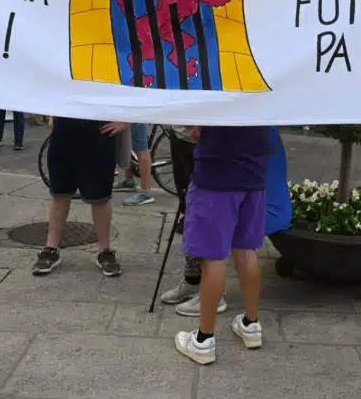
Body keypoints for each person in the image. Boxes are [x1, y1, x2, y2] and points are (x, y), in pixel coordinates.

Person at [162, 125, 291, 316]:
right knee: (192, 214)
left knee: (214, 246)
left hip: (218, 154)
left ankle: (209, 314)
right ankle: (194, 281)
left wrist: (198, 124)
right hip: (193, 139)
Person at [174, 125, 271, 365]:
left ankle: (203, 339)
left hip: (215, 177)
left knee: (213, 257)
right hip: (254, 176)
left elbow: (191, 129)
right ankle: (251, 324)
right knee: (247, 251)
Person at [32, 117, 129, 277]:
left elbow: (135, 99)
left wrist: (126, 122)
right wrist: (51, 113)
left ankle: (105, 251)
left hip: (98, 133)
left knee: (100, 197)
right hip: (63, 132)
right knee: (60, 194)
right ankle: (50, 249)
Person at [113, 123, 154, 205]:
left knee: (140, 146)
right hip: (129, 115)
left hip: (136, 115)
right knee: (128, 139)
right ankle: (129, 181)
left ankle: (145, 192)